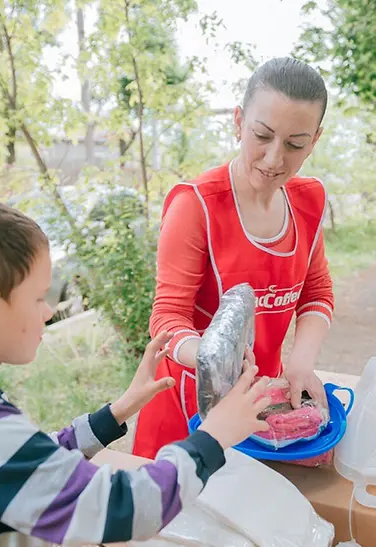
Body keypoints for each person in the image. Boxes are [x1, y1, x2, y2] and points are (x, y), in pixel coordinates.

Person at [0, 196, 272, 546]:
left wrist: (117, 412)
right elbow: (125, 507)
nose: (46, 311)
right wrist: (214, 436)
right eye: (39, 298)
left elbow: (33, 467)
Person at [132, 57, 336, 459]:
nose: (275, 159)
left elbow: (316, 292)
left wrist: (299, 363)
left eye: (295, 144)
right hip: (187, 407)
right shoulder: (197, 205)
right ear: (239, 121)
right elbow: (167, 316)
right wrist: (214, 360)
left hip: (257, 405)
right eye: (262, 135)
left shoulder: (308, 200)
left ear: (314, 141)